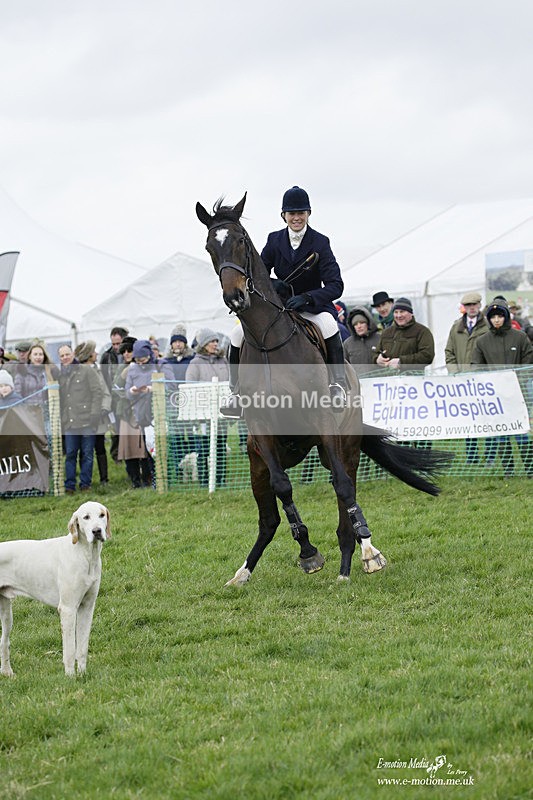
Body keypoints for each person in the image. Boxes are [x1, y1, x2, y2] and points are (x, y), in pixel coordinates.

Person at [223, 185, 346, 415]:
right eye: (292, 213)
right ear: (284, 216)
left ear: (308, 214)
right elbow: (257, 273)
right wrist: (272, 283)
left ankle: (337, 385)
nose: (296, 218)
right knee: (236, 334)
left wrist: (308, 297)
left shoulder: (320, 242)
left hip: (311, 307)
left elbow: (336, 285)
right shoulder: (274, 239)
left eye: (301, 213)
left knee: (329, 325)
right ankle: (235, 393)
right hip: (281, 308)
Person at [471, 299, 533, 476]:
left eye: (500, 316)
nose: (497, 320)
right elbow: (476, 366)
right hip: (495, 398)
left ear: (506, 317)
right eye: (493, 317)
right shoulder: (482, 341)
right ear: (489, 319)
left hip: (518, 395)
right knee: (501, 435)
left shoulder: (520, 337)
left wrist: (516, 382)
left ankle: (530, 469)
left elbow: (528, 363)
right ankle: (508, 471)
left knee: (522, 434)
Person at [444, 291, 489, 464]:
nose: (471, 308)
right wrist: (454, 372)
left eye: (474, 305)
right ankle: (472, 456)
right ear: (464, 308)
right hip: (462, 382)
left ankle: (490, 455)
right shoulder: (456, 327)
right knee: (469, 420)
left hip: (482, 381)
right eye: (468, 305)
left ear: (479, 306)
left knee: (486, 419)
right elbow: (449, 352)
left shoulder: (487, 326)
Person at [186, 329, 230, 487]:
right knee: (204, 449)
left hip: (221, 413)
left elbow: (230, 383)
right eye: (212, 341)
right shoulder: (195, 363)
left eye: (217, 341)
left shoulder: (223, 360)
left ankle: (220, 480)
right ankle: (204, 481)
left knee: (220, 448)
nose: (215, 344)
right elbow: (190, 387)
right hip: (203, 414)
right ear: (204, 344)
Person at [60, 340, 103, 494]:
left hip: (86, 420)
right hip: (70, 422)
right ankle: (69, 485)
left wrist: (94, 415)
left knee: (87, 454)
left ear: (73, 355)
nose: (65, 357)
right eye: (62, 355)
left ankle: (85, 484)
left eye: (67, 354)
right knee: (70, 454)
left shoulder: (86, 370)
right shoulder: (61, 375)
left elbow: (97, 392)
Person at [375, 297, 435, 370]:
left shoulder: (422, 331)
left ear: (411, 313)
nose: (399, 315)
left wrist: (401, 362)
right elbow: (376, 352)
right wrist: (377, 359)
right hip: (389, 379)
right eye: (396, 312)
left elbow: (427, 356)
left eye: (402, 311)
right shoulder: (386, 332)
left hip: (413, 379)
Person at [100, 326, 128, 462]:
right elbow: (104, 378)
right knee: (115, 429)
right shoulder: (107, 356)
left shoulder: (130, 352)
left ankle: (130, 453)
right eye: (114, 344)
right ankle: (116, 455)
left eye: (118, 343)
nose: (116, 347)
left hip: (129, 397)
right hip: (114, 398)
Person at [343, 305, 381, 374]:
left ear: (368, 323)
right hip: (358, 382)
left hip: (380, 381)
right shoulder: (347, 344)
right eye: (355, 324)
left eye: (362, 322)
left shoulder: (380, 338)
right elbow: (345, 367)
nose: (359, 326)